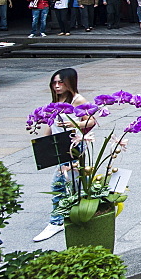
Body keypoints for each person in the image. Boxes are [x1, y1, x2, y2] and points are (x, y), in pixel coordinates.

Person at [32, 68, 95, 242]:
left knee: (59, 184)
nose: (57, 86)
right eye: (54, 83)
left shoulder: (78, 99)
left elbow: (91, 120)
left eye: (60, 82)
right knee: (78, 181)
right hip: (59, 145)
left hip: (73, 145)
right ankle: (82, 212)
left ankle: (57, 221)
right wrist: (44, 143)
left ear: (70, 82)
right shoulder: (57, 100)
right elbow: (51, 123)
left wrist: (74, 123)